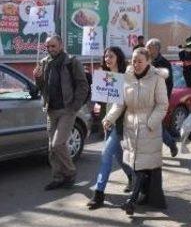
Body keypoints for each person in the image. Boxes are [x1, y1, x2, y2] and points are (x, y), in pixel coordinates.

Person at [104, 48, 169, 215]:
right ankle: (142, 195)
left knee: (141, 166)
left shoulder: (157, 79)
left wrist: (150, 123)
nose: (136, 64)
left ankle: (131, 201)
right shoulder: (127, 77)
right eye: (134, 60)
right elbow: (120, 103)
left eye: (140, 61)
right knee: (135, 164)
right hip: (130, 126)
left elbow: (162, 104)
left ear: (148, 61)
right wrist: (109, 118)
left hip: (149, 128)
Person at [33, 35, 89, 191]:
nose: (50, 49)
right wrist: (36, 78)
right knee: (52, 148)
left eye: (53, 46)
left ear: (61, 45)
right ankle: (58, 178)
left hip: (67, 109)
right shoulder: (44, 62)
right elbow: (41, 87)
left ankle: (70, 173)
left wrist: (75, 106)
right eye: (48, 47)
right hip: (51, 110)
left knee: (58, 143)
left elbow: (83, 86)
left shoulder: (72, 62)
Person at [87, 47, 134, 209]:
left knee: (106, 154)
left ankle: (99, 193)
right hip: (107, 123)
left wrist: (110, 117)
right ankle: (135, 179)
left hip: (120, 123)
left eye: (111, 56)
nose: (107, 58)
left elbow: (122, 103)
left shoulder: (125, 77)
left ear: (118, 58)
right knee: (119, 156)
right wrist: (97, 101)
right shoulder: (103, 76)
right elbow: (102, 100)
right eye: (106, 56)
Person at [146, 38, 178, 157]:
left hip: (158, 100)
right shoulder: (145, 61)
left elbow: (169, 84)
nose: (146, 49)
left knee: (155, 126)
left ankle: (170, 143)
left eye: (149, 47)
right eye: (146, 47)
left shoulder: (165, 64)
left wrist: (164, 100)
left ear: (156, 49)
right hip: (145, 99)